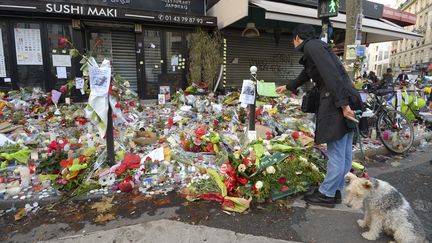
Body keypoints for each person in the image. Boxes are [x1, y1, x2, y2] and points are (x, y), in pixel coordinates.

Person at [276, 24, 363, 208]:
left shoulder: (311, 46)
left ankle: (327, 193)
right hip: (343, 98)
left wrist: (343, 105)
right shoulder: (316, 48)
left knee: (337, 153)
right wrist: (289, 86)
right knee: (345, 152)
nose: (293, 43)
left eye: (293, 39)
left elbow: (330, 75)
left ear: (297, 37)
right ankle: (335, 189)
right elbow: (307, 73)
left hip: (336, 102)